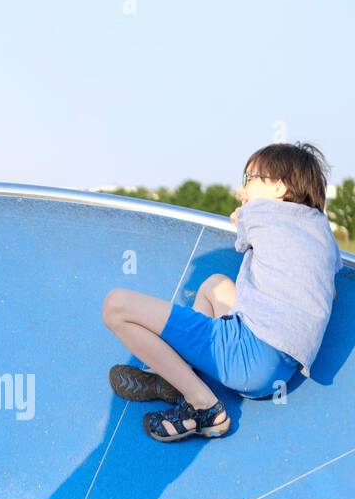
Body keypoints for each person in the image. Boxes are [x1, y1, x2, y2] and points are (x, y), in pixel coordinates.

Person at [101, 142, 342, 441]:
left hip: (244, 352)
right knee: (215, 284)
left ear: (279, 188)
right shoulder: (323, 234)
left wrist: (246, 207)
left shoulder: (260, 212)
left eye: (250, 179)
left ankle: (202, 405)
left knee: (116, 306)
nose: (244, 188)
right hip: (277, 371)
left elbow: (242, 224)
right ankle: (181, 375)